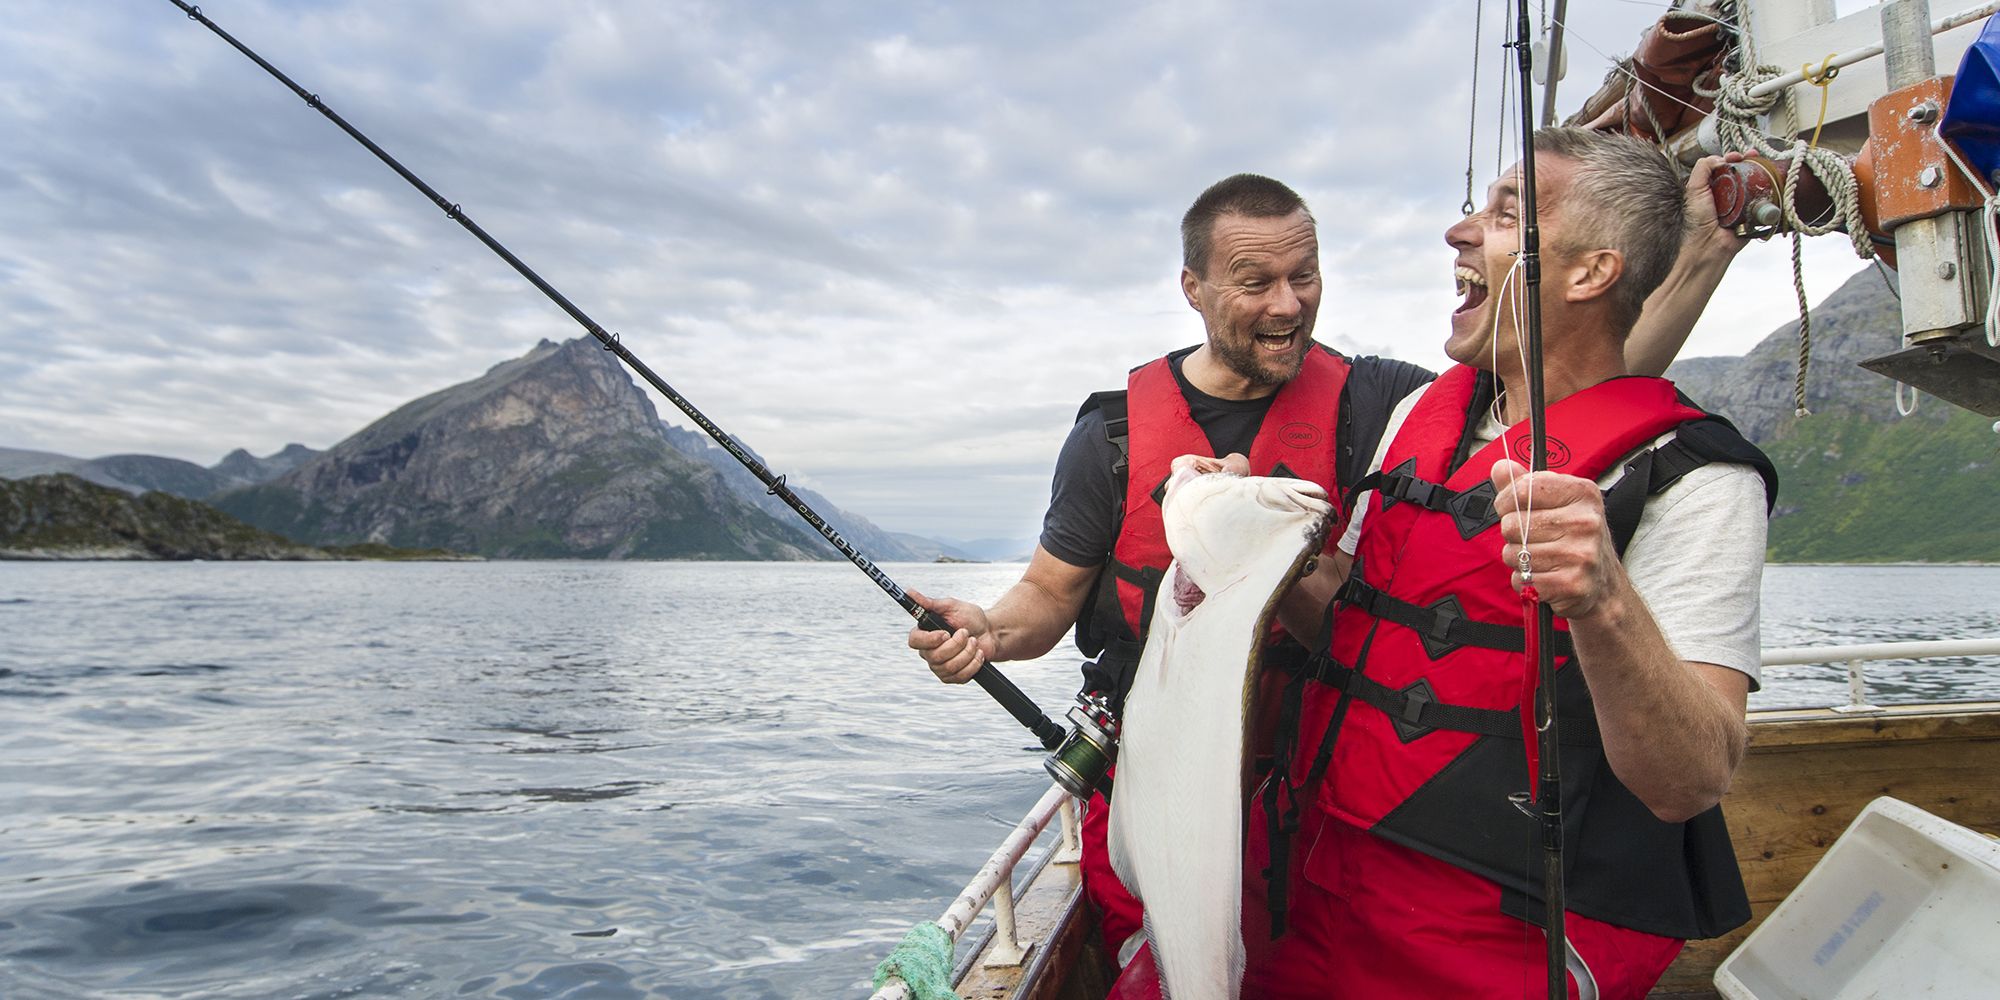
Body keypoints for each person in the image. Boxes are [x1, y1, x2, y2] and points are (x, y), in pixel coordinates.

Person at [907, 155, 1749, 984]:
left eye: (1303, 275)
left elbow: (1583, 381)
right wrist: (990, 629)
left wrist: (1699, 258)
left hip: (1351, 822)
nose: (1288, 303)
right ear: (1193, 289)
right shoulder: (1118, 434)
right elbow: (1050, 595)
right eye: (1254, 281)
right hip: (1232, 805)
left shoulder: (1384, 400)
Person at [1244, 128, 1772, 999]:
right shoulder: (1420, 411)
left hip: (1505, 929)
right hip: (1314, 873)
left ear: (1589, 273)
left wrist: (1603, 600)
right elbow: (1344, 619)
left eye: (1505, 214)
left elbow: (1693, 777)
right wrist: (1254, 541)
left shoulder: (1696, 478)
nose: (1460, 231)